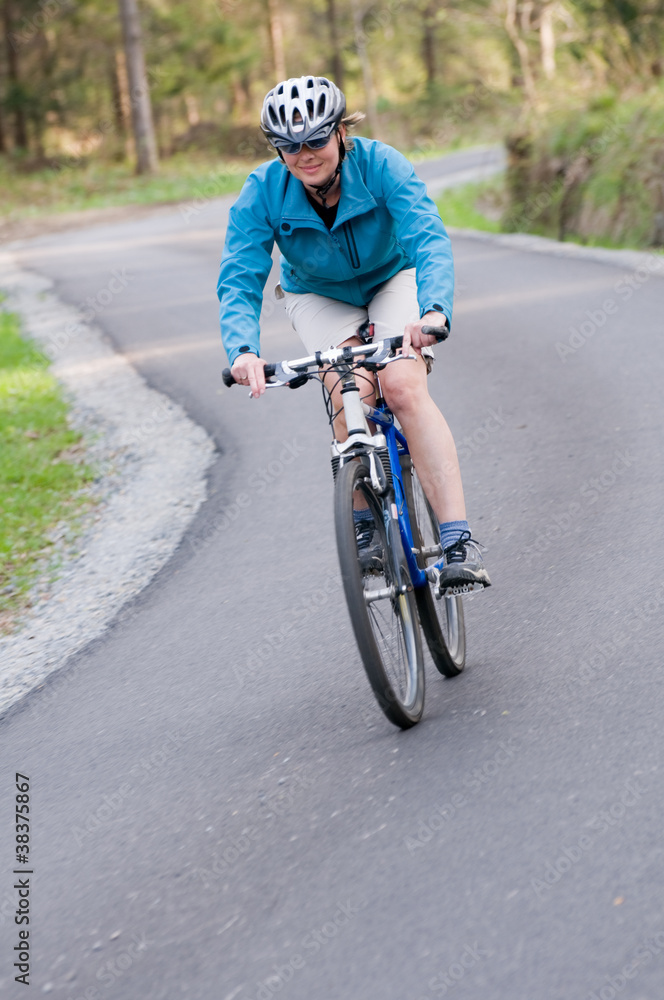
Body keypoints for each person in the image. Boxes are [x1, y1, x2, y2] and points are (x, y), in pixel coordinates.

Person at [217, 75, 490, 593]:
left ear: (341, 132)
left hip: (393, 275)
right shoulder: (263, 190)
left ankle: (459, 542)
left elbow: (427, 236)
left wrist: (433, 312)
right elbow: (240, 274)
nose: (305, 155)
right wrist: (243, 350)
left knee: (402, 386)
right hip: (317, 293)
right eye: (290, 146)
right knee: (350, 389)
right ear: (277, 149)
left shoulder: (381, 164)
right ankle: (364, 526)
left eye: (316, 140)